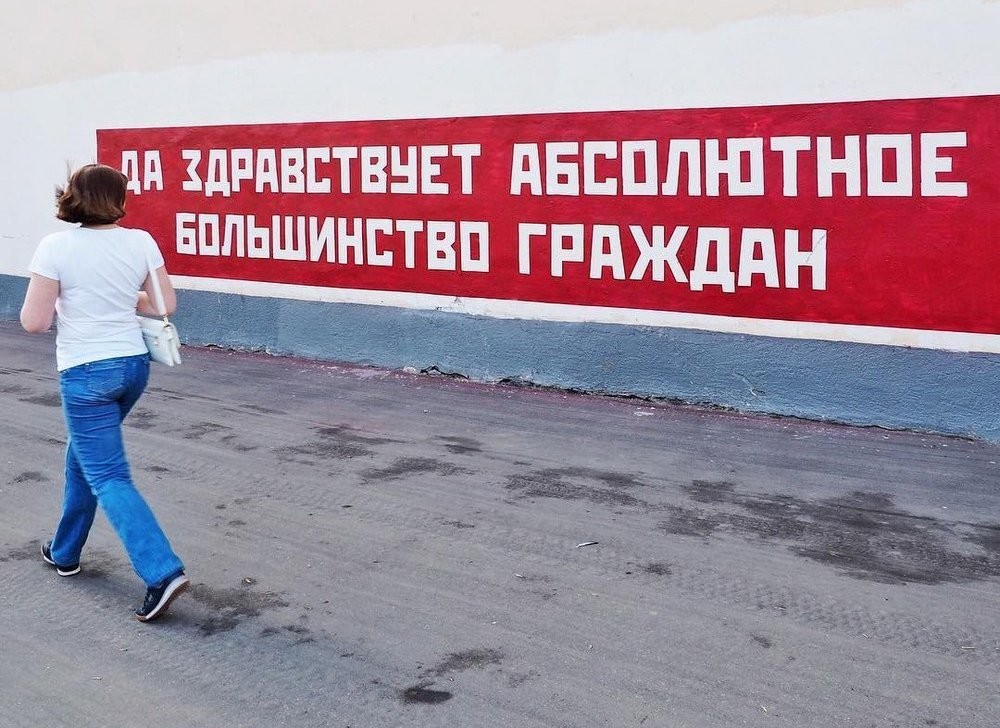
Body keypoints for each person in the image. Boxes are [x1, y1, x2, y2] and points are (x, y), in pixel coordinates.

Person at [20, 163, 189, 622]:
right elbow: (165, 304)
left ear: (73, 196)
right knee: (84, 459)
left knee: (108, 474)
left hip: (86, 373)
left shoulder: (55, 246)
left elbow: (34, 322)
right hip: (133, 366)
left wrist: (68, 297)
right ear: (119, 199)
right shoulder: (140, 241)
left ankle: (161, 572)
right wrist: (121, 296)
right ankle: (65, 551)